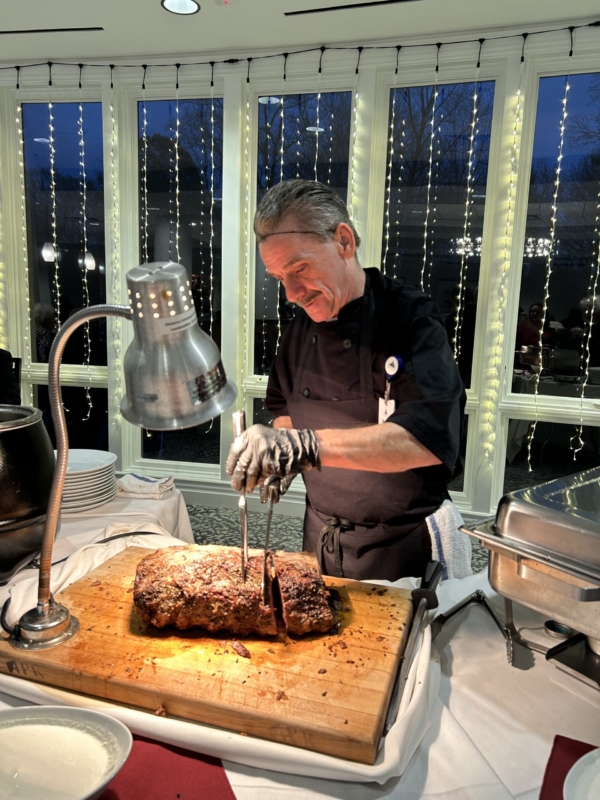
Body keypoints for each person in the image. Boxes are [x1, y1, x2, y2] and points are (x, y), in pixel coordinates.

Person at [226, 180, 468, 582]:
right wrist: (280, 458)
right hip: (321, 537)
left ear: (343, 241)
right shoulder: (302, 327)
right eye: (279, 277)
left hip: (405, 548)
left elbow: (427, 440)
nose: (291, 294)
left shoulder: (411, 320)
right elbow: (284, 407)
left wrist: (303, 446)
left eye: (300, 269)